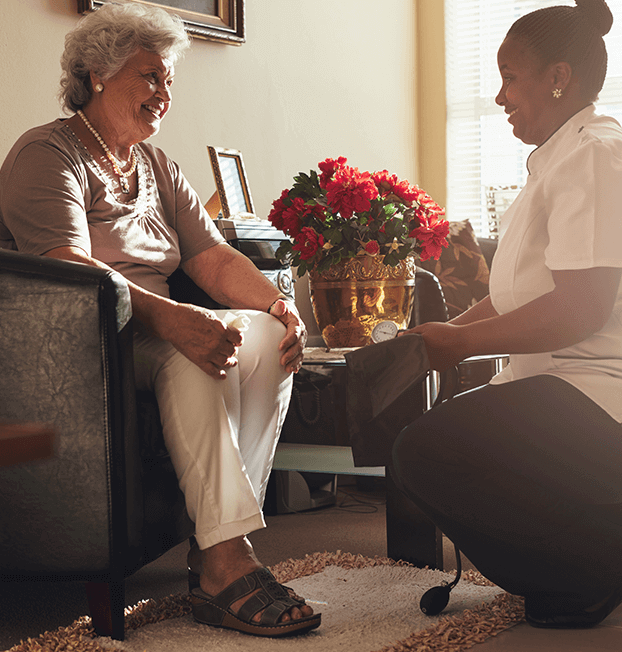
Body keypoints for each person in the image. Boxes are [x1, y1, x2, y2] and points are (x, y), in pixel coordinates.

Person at [0, 3, 320, 638]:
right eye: (150, 76)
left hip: (153, 321)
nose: (163, 94)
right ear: (96, 73)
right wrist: (172, 319)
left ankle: (219, 544)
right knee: (194, 354)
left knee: (260, 336)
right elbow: (63, 264)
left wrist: (279, 307)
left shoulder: (157, 165)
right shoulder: (46, 152)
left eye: (169, 79)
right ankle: (227, 563)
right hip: (88, 339)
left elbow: (210, 256)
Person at [394, 0, 622, 629]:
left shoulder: (594, 156)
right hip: (558, 389)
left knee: (423, 453)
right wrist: (447, 334)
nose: (499, 97)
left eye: (510, 77)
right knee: (426, 444)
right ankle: (584, 556)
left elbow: (582, 307)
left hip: (596, 397)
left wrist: (460, 347)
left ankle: (587, 571)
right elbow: (522, 291)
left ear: (558, 76)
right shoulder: (557, 158)